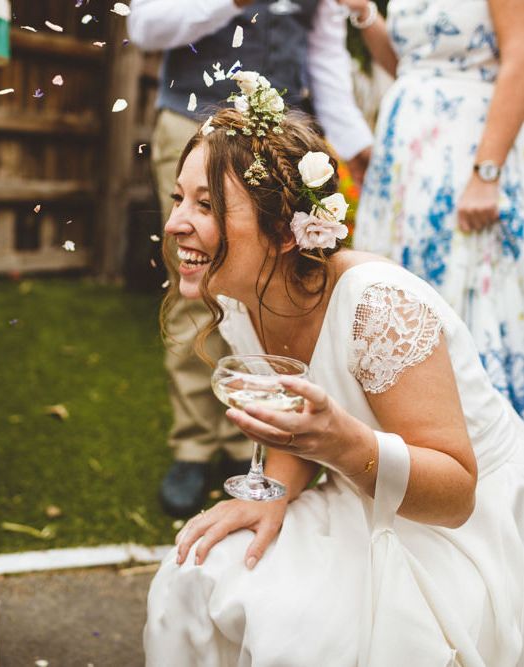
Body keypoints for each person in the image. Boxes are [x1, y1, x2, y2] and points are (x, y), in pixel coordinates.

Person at [143, 74, 524, 665]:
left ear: (282, 231)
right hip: (364, 486)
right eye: (178, 198)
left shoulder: (378, 305)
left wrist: (343, 444)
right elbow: (299, 431)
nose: (175, 224)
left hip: (460, 524)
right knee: (195, 571)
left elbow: (457, 495)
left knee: (305, 631)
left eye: (206, 205)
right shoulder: (241, 296)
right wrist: (276, 492)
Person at [128, 0, 374, 517]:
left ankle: (256, 438)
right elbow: (145, 26)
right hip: (191, 125)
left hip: (281, 141)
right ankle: (195, 445)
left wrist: (355, 144)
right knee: (193, 283)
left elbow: (324, 54)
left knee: (276, 287)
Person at [339, 0, 524, 417]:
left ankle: (479, 437)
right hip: (406, 159)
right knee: (403, 288)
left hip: (466, 150)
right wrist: (366, 13)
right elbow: (413, 61)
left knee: (461, 285)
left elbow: (519, 59)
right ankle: (409, 424)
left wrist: (486, 174)